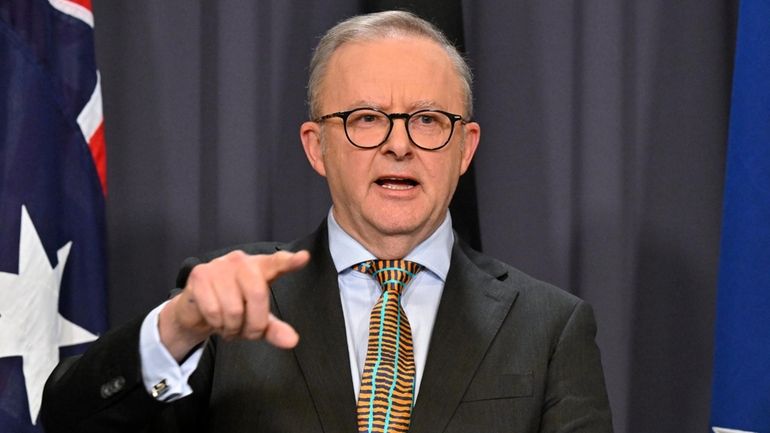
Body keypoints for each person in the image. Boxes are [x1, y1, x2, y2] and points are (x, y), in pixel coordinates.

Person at [42, 10, 612, 433]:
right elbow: (67, 421)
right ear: (317, 147)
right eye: (366, 119)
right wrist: (177, 329)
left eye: (429, 121)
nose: (398, 146)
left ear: (465, 148)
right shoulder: (229, 300)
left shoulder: (549, 327)